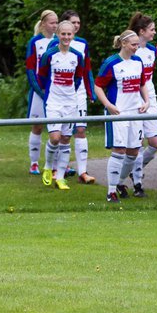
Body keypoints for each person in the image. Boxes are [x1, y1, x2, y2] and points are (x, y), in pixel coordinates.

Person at [94, 29, 154, 204]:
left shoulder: (138, 61)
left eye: (137, 44)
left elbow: (142, 84)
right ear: (123, 44)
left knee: (134, 152)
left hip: (135, 112)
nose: (136, 47)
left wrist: (147, 101)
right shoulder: (111, 63)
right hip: (118, 113)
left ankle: (119, 182)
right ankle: (111, 191)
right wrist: (108, 105)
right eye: (134, 44)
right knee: (119, 150)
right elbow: (98, 86)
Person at [35, 19, 86, 191]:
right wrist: (48, 92)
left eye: (69, 34)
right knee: (55, 138)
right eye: (63, 34)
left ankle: (61, 177)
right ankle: (48, 167)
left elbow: (79, 78)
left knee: (65, 139)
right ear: (58, 35)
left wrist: (70, 93)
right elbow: (41, 76)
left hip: (70, 103)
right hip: (54, 102)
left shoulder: (77, 56)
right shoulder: (50, 55)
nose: (65, 37)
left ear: (73, 35)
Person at [47, 10, 97, 185]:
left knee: (80, 130)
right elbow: (44, 73)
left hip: (78, 93)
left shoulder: (82, 45)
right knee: (57, 135)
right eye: (72, 23)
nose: (76, 26)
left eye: (78, 23)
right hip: (57, 95)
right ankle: (54, 168)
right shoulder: (53, 47)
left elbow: (86, 70)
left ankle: (83, 172)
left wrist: (90, 91)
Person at [127, 13, 157, 198]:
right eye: (152, 29)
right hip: (134, 98)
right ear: (141, 31)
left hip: (150, 96)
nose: (155, 32)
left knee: (155, 142)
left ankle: (133, 168)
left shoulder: (152, 50)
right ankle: (138, 184)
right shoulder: (130, 51)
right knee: (137, 143)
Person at [23, 9, 58, 175]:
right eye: (52, 22)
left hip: (56, 91)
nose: (55, 26)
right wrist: (40, 90)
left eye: (56, 22)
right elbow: (30, 69)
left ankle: (56, 165)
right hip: (40, 91)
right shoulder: (35, 42)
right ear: (43, 23)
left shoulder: (60, 40)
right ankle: (34, 163)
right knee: (37, 127)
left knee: (57, 128)